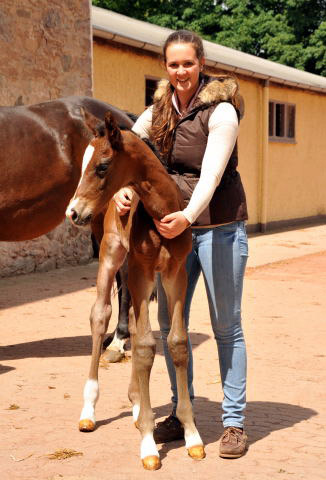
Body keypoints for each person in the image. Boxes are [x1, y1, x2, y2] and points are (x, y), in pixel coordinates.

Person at [114, 30, 249, 459]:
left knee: (226, 326)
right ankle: (180, 410)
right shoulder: (157, 110)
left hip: (218, 226)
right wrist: (121, 189)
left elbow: (210, 174)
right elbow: (124, 148)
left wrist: (188, 218)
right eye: (173, 64)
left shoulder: (221, 110)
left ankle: (233, 422)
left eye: (187, 63)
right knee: (176, 325)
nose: (180, 71)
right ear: (165, 67)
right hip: (173, 233)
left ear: (201, 62)